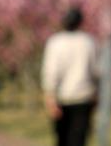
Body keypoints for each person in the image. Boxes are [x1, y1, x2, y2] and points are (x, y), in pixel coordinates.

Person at [41, 8, 101, 146]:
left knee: (62, 138)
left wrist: (50, 96)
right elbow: (96, 71)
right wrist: (96, 93)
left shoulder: (55, 42)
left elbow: (51, 72)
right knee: (79, 138)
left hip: (62, 97)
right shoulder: (89, 42)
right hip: (84, 97)